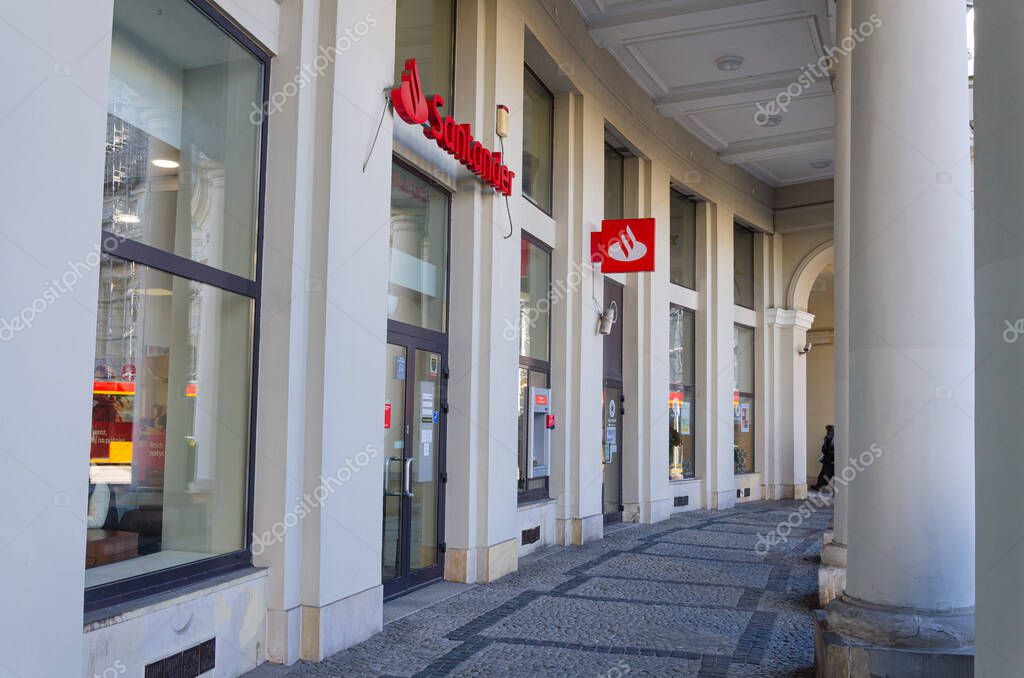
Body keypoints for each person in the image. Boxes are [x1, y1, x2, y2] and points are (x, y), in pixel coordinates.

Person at [810, 425, 835, 491]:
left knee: (825, 475)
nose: (827, 431)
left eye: (829, 430)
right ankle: (818, 486)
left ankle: (819, 487)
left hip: (831, 460)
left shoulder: (830, 438)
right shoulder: (828, 437)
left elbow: (827, 449)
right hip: (828, 459)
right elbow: (824, 449)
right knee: (823, 474)